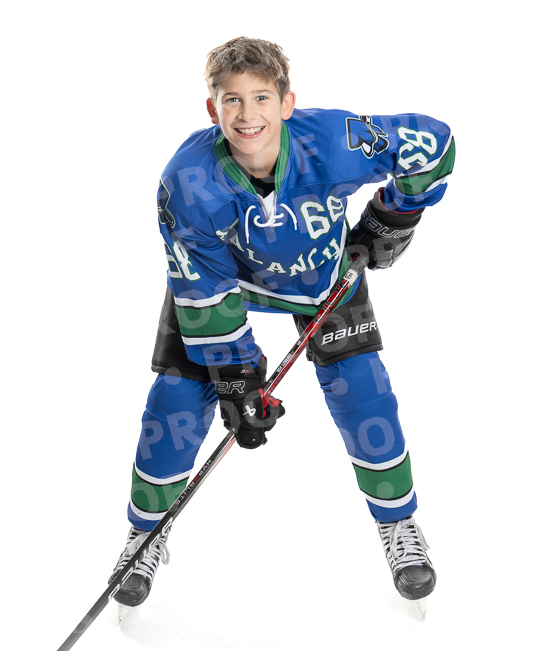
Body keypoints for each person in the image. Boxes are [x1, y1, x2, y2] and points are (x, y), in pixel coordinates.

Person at [108, 36, 455, 609]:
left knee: (364, 392)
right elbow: (203, 288)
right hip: (227, 286)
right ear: (212, 108)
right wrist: (237, 379)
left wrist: (392, 216)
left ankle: (398, 523)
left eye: (262, 98)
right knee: (176, 399)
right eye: (232, 100)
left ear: (288, 103)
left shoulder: (337, 142)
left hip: (323, 277)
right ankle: (144, 533)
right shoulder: (187, 181)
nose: (248, 115)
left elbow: (434, 143)